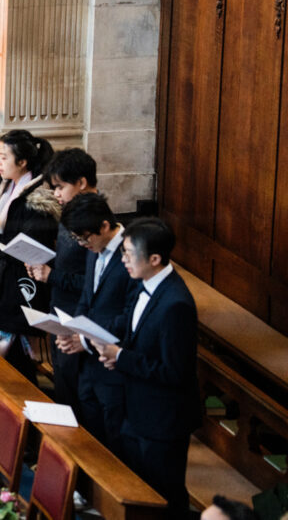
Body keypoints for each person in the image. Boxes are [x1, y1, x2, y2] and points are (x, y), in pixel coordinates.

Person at [91, 218, 199, 518]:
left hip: (162, 421)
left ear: (154, 259)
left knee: (164, 497)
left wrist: (122, 357)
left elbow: (174, 372)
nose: (123, 260)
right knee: (136, 491)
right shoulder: (145, 283)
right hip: (136, 409)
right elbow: (132, 327)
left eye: (128, 254)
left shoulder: (176, 304)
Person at [0, 129, 60, 381]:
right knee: (5, 354)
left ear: (23, 162)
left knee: (15, 359)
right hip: (2, 276)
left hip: (21, 285)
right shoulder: (8, 187)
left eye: (4, 157)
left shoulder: (36, 201)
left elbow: (22, 248)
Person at [52, 193, 131, 451]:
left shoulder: (131, 255)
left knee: (114, 444)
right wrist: (73, 330)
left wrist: (83, 340)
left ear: (105, 227)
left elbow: (128, 316)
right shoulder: (92, 249)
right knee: (89, 438)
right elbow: (88, 295)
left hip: (114, 369)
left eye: (85, 237)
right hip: (88, 366)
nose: (82, 244)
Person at [23, 147, 94, 404]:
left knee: (77, 395)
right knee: (63, 386)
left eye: (60, 187)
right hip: (60, 312)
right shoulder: (70, 214)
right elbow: (68, 261)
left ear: (82, 183)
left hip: (79, 321)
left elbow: (94, 283)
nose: (56, 194)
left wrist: (51, 275)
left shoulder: (94, 222)